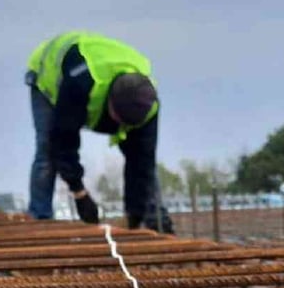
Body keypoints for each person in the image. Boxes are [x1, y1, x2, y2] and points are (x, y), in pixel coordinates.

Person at [25, 31, 173, 233]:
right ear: (110, 103)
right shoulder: (79, 85)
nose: (121, 129)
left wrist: (133, 217)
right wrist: (79, 193)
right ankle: (40, 219)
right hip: (48, 77)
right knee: (47, 150)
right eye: (119, 122)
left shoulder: (147, 105)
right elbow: (63, 142)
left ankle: (156, 221)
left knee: (143, 160)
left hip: (98, 66)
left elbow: (142, 164)